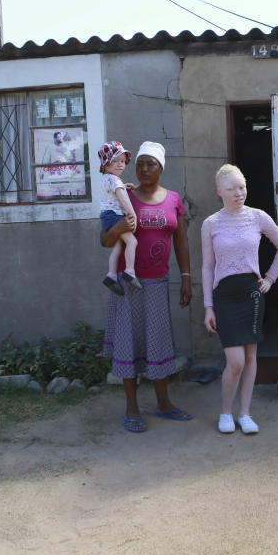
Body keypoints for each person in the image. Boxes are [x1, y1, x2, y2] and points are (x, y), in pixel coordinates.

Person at [100, 140, 193, 432]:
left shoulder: (174, 199)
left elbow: (181, 241)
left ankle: (164, 403)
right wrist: (120, 227)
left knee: (158, 343)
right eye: (139, 163)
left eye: (150, 163)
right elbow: (105, 240)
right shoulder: (124, 195)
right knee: (128, 343)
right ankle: (132, 406)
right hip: (129, 285)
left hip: (158, 283)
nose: (143, 169)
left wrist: (187, 277)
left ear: (161, 168)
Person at [201, 164, 278, 434]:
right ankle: (225, 412)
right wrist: (208, 306)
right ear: (220, 191)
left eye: (242, 187)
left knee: (251, 357)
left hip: (252, 294)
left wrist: (271, 278)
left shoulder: (257, 217)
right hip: (225, 297)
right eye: (231, 189)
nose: (238, 193)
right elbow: (207, 266)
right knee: (236, 361)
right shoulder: (211, 223)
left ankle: (245, 414)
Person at [97, 141, 141, 294]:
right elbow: (123, 199)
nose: (120, 164)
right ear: (105, 163)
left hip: (106, 216)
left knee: (117, 246)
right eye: (115, 161)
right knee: (132, 242)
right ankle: (129, 271)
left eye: (122, 161)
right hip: (115, 216)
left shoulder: (106, 179)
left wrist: (123, 186)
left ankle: (111, 275)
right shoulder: (115, 180)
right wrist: (132, 214)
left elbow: (113, 193)